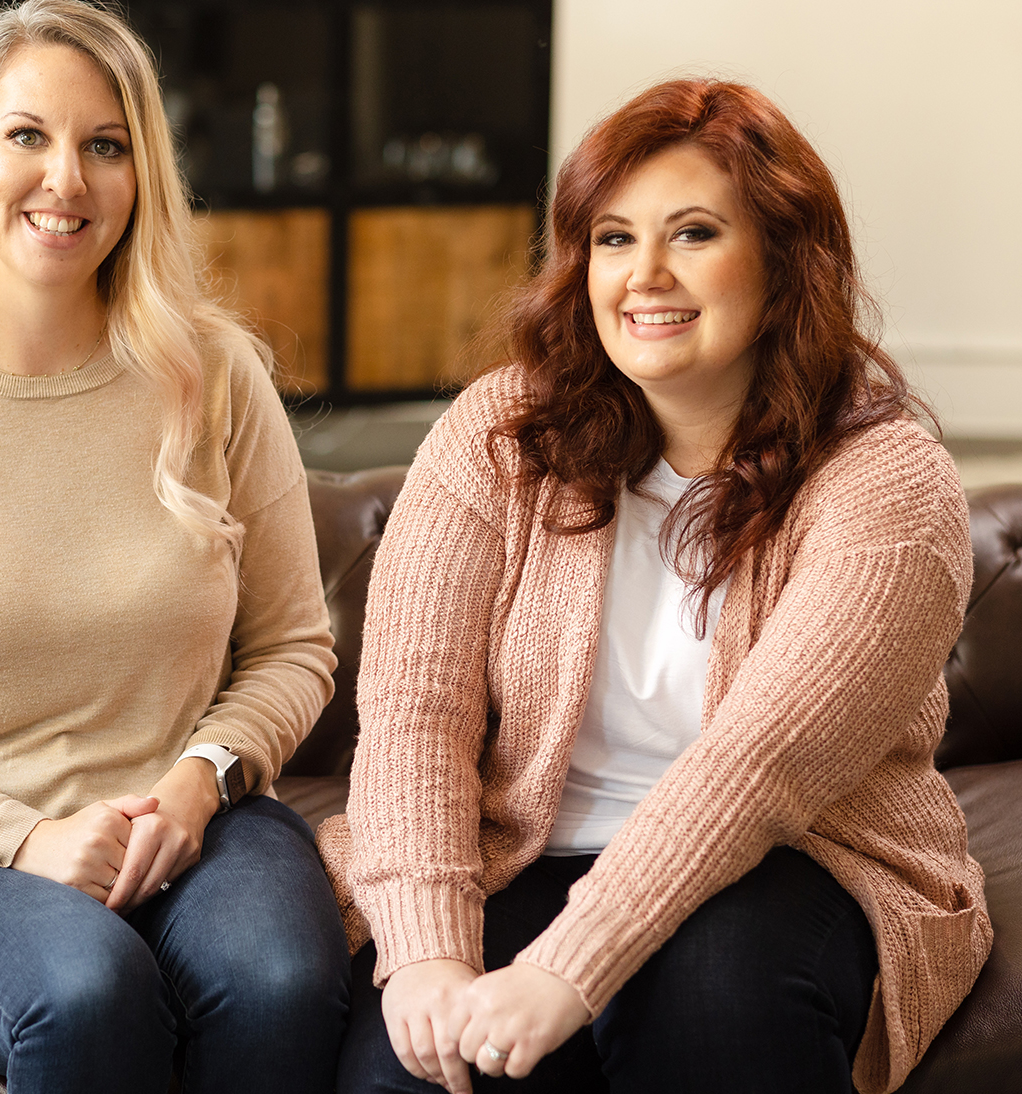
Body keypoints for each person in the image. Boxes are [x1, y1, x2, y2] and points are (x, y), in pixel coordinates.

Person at [318, 78, 992, 1094]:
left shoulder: (886, 479)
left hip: (799, 858)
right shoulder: (498, 436)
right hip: (524, 845)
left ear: (783, 265)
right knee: (412, 1072)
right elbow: (415, 710)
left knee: (716, 1004)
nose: (646, 275)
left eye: (694, 233)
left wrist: (565, 969)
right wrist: (424, 949)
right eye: (614, 239)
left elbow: (756, 766)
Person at [0, 2, 350, 1091]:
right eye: (27, 135)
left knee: (276, 975)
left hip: (193, 820)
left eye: (106, 145)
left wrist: (195, 782)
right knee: (87, 987)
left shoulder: (218, 376)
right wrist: (25, 838)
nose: (66, 181)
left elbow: (295, 647)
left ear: (143, 175)